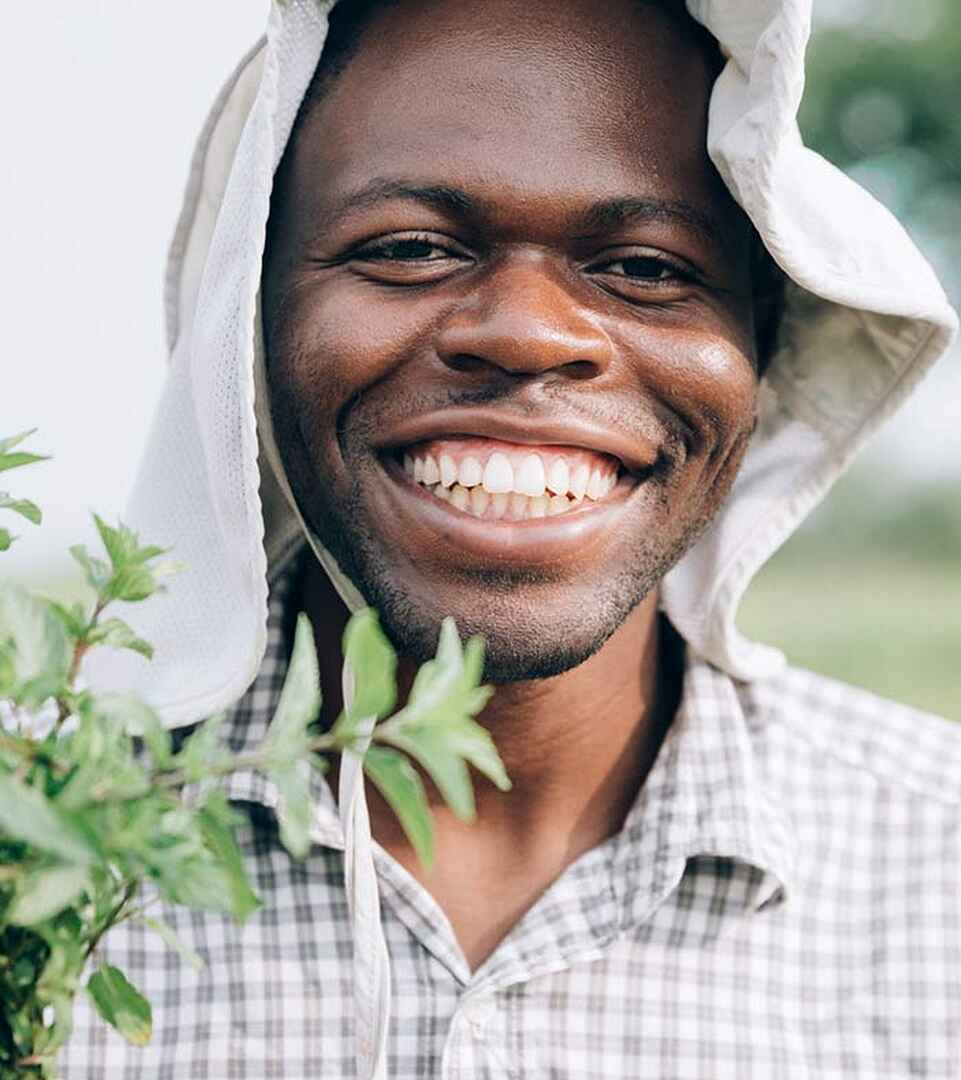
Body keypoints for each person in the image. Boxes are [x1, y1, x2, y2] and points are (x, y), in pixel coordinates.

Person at [67, 0, 959, 1076]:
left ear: (763, 358)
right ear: (245, 328)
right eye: (408, 248)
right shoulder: (47, 835)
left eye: (645, 266)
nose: (528, 332)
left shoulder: (933, 870)